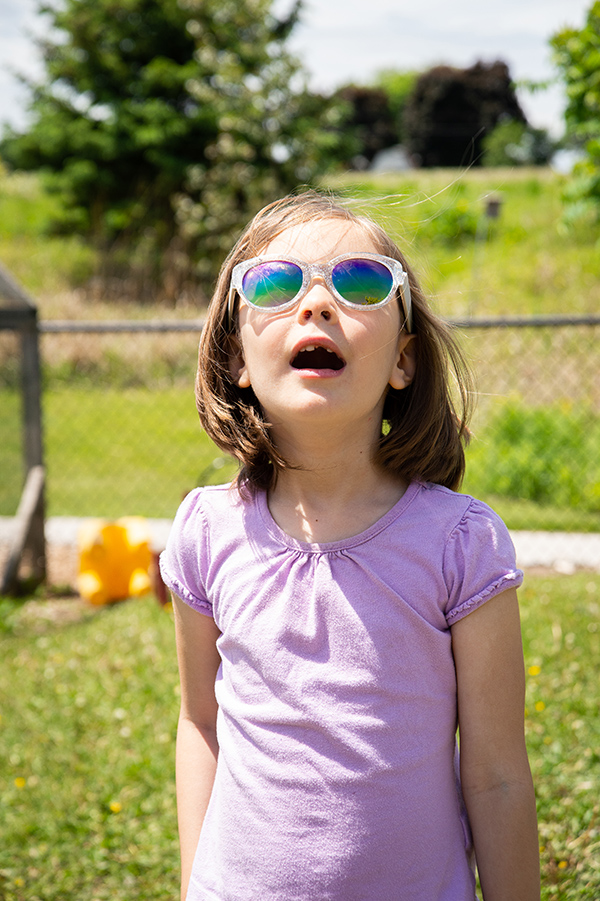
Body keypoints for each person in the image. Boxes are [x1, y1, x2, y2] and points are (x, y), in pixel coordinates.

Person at [160, 190, 540, 901]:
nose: (316, 304)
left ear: (403, 361)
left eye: (359, 282)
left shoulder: (460, 543)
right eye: (275, 284)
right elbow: (200, 723)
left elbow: (496, 774)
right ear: (238, 356)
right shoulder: (206, 532)